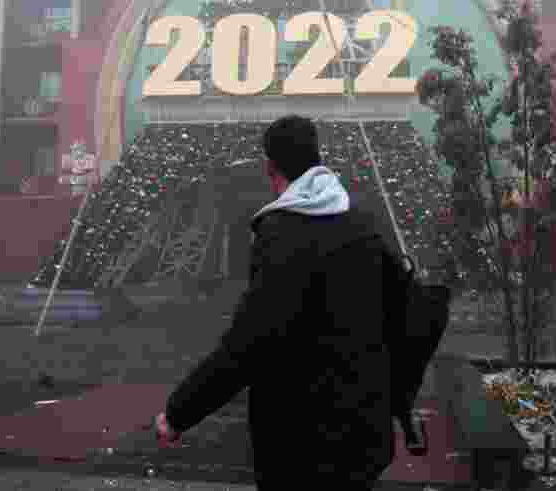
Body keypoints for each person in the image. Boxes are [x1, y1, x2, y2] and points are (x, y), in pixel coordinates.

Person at [156, 115, 396, 488]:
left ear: (271, 167)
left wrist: (180, 411)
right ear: (318, 159)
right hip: (366, 430)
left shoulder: (282, 233)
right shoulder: (364, 223)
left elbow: (252, 341)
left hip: (302, 441)